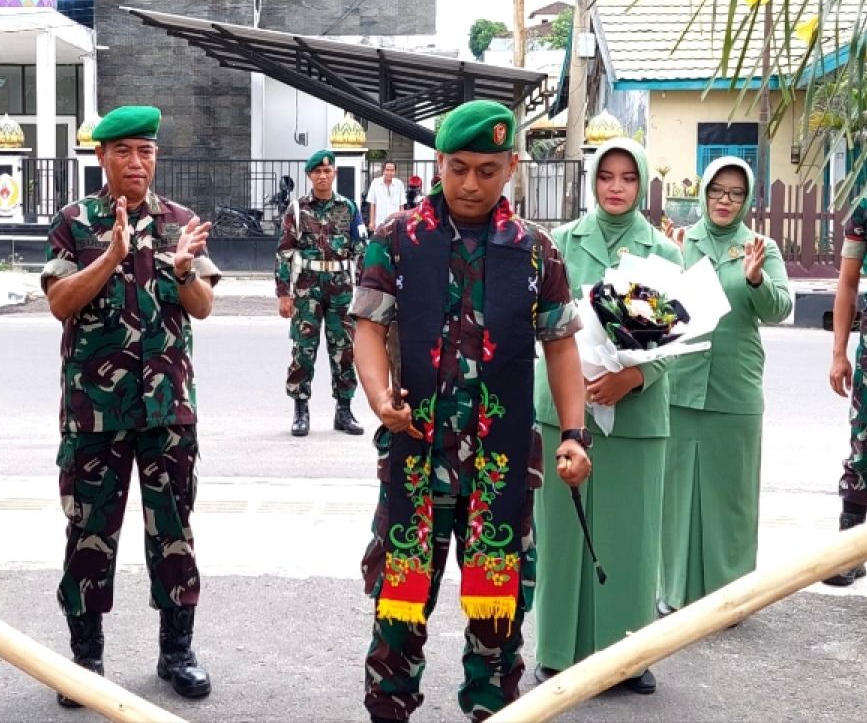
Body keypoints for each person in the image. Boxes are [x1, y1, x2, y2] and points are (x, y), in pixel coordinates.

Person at [353, 100, 591, 723]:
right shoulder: (397, 240)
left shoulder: (536, 250)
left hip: (502, 468)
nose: (470, 184)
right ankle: (390, 710)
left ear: (512, 165)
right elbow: (368, 330)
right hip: (416, 459)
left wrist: (574, 434)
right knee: (397, 615)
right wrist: (380, 399)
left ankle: (491, 709)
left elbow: (561, 345)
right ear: (440, 162)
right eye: (458, 168)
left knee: (498, 618)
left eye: (487, 170)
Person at [42, 105, 219, 705]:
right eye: (123, 152)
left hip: (168, 411)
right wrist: (110, 256)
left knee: (172, 530)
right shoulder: (74, 223)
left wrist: (185, 269)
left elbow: (201, 307)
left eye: (145, 151)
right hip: (96, 412)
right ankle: (85, 658)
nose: (136, 162)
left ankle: (177, 652)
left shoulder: (180, 222)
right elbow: (60, 301)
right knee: (90, 533)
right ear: (102, 156)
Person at [532, 136, 681, 694]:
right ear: (592, 181)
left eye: (627, 178)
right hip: (563, 410)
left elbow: (683, 337)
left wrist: (634, 376)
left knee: (630, 535)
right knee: (564, 533)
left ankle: (627, 655)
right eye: (605, 177)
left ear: (642, 184)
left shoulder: (663, 252)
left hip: (637, 418)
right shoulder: (561, 242)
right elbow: (543, 322)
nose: (615, 188)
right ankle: (557, 654)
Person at [658, 158, 791, 612]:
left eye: (735, 193)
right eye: (717, 191)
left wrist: (755, 279)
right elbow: (656, 307)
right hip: (680, 384)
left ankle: (731, 599)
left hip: (735, 388)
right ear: (704, 193)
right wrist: (669, 264)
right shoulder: (681, 241)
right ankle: (673, 593)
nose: (725, 201)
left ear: (747, 198)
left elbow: (779, 308)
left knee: (731, 499)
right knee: (676, 496)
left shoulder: (759, 247)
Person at [275, 149, 367, 437]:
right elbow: (285, 252)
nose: (323, 175)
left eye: (328, 171)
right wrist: (283, 293)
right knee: (303, 349)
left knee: (344, 350)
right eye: (318, 172)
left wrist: (366, 291)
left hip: (340, 288)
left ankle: (344, 410)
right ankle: (300, 410)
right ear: (310, 175)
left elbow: (361, 250)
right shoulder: (297, 210)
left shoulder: (349, 208)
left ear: (334, 173)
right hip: (307, 289)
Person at [826, 169, 867, 586]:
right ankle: (849, 550)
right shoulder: (866, 206)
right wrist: (839, 352)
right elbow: (847, 283)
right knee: (865, 443)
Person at [367, 160, 406, 229]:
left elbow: (401, 206)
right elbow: (372, 204)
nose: (389, 173)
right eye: (387, 170)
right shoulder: (375, 183)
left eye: (392, 170)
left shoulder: (399, 184)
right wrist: (372, 222)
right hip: (379, 222)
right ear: (383, 171)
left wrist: (401, 222)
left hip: (394, 223)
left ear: (395, 172)